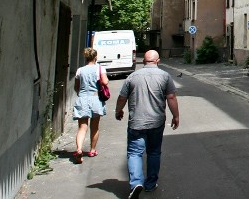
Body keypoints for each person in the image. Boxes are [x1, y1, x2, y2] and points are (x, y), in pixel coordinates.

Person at [115, 50, 179, 198]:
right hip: (156, 122)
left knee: (134, 153)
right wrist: (176, 116)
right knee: (154, 152)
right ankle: (150, 184)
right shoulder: (164, 76)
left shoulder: (132, 76)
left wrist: (118, 111)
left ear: (143, 61)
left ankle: (136, 183)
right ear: (158, 61)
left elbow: (121, 97)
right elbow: (171, 97)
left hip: (136, 122)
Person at [72, 47, 109, 163]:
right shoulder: (100, 68)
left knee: (82, 127)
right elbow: (105, 82)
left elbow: (76, 87)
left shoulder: (80, 70)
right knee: (95, 126)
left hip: (82, 98)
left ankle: (79, 149)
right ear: (95, 57)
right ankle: (92, 150)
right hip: (95, 98)